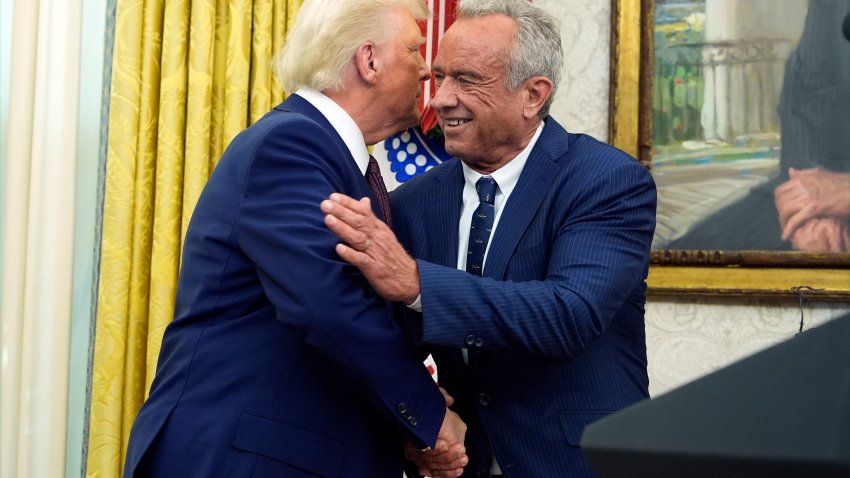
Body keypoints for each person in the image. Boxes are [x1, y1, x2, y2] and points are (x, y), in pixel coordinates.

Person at [122, 1, 468, 477]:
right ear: (369, 60)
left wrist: (404, 422)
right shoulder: (292, 146)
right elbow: (329, 305)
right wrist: (426, 414)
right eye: (413, 49)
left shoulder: (335, 158)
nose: (428, 70)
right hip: (245, 457)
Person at [321, 0, 657, 476]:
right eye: (439, 77)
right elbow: (390, 344)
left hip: (580, 462)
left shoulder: (605, 181)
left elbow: (569, 315)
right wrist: (419, 416)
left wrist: (418, 284)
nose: (439, 100)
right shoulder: (412, 205)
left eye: (467, 80)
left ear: (533, 95)